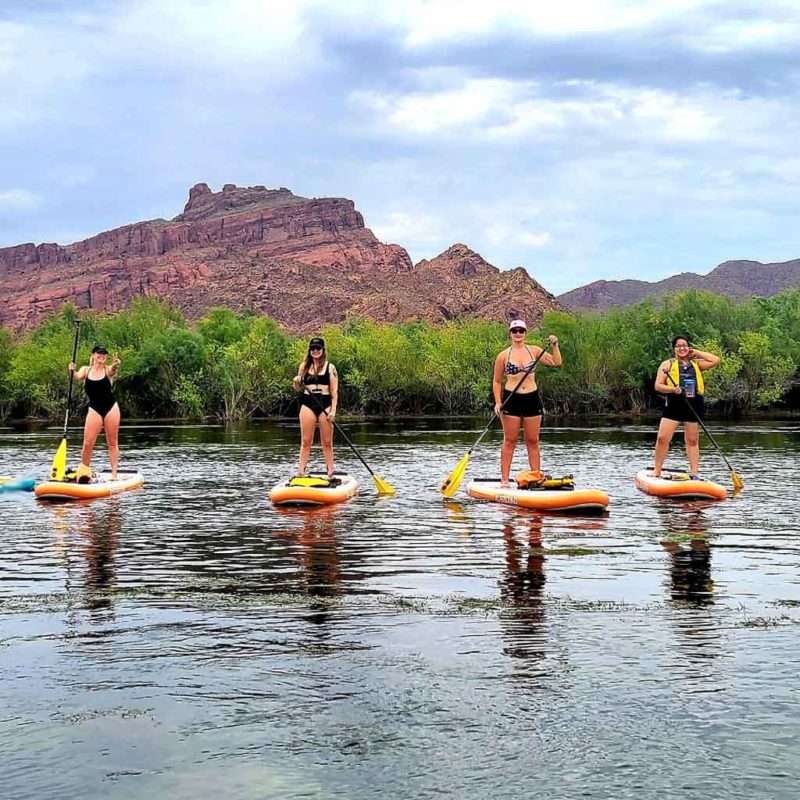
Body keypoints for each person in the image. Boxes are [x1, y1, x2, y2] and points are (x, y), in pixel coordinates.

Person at [492, 319, 561, 487]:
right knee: (510, 440)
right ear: (510, 333)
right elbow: (497, 381)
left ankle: (536, 478)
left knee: (532, 440)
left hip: (531, 398)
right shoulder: (503, 356)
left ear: (525, 333)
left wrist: (555, 345)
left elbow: (556, 362)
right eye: (514, 331)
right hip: (511, 399)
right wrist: (498, 403)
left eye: (521, 331)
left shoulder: (534, 350)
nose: (518, 334)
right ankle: (505, 481)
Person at [653, 335, 720, 478]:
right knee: (663, 438)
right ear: (674, 349)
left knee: (692, 440)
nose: (682, 348)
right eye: (678, 346)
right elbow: (658, 386)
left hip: (694, 404)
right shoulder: (667, 364)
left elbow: (716, 360)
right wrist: (672, 389)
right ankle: (657, 471)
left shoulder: (696, 364)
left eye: (685, 345)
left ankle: (694, 473)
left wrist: (696, 352)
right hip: (674, 403)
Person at [68, 345, 122, 480]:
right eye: (99, 353)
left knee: (112, 442)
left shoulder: (107, 369)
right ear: (93, 355)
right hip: (94, 408)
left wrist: (115, 364)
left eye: (104, 354)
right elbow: (76, 376)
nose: (101, 356)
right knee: (88, 442)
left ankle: (114, 475)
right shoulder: (86, 370)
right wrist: (72, 370)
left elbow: (113, 370)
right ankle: (84, 472)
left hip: (111, 407)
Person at [292, 337, 339, 480]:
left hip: (325, 403)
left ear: (323, 350)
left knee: (326, 442)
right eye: (313, 348)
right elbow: (297, 388)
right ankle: (301, 471)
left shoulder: (330, 368)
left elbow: (334, 392)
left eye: (318, 348)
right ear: (309, 350)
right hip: (308, 403)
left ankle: (330, 472)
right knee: (306, 441)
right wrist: (296, 382)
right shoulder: (304, 367)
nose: (315, 351)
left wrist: (333, 411)